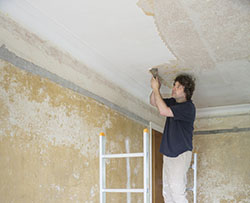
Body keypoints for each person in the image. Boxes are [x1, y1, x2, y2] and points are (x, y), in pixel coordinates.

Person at [150, 73, 196, 203]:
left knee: (177, 192)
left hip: (180, 152)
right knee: (167, 193)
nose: (174, 88)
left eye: (178, 87)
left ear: (186, 91)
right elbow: (154, 102)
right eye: (174, 85)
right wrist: (155, 89)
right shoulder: (172, 102)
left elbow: (163, 111)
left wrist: (155, 89)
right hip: (168, 153)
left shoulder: (188, 107)